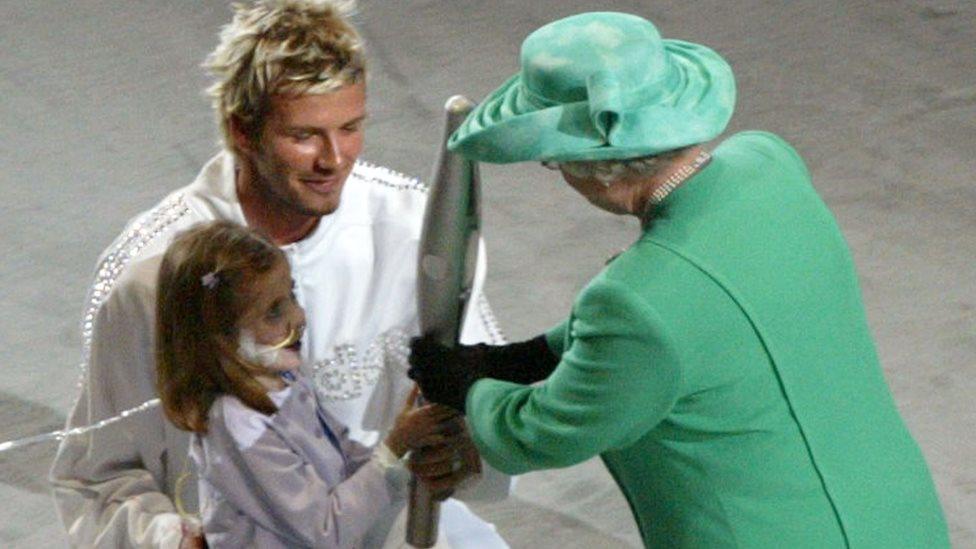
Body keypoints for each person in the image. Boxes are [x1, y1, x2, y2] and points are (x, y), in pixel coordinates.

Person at [408, 11, 950, 548]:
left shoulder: (635, 301)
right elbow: (693, 326)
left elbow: (549, 430)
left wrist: (471, 389)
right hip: (896, 516)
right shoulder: (769, 162)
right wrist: (527, 356)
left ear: (582, 164)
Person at [49, 1, 509, 547]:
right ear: (242, 129)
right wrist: (172, 540)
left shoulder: (416, 229)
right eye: (304, 135)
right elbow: (95, 479)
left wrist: (465, 447)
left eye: (351, 128)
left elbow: (488, 405)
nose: (334, 160)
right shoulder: (150, 277)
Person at [155, 221, 468, 548]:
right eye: (274, 313)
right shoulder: (239, 425)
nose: (299, 316)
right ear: (220, 341)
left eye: (291, 295)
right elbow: (324, 531)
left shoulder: (283, 378)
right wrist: (393, 449)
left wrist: (404, 462)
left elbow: (342, 453)